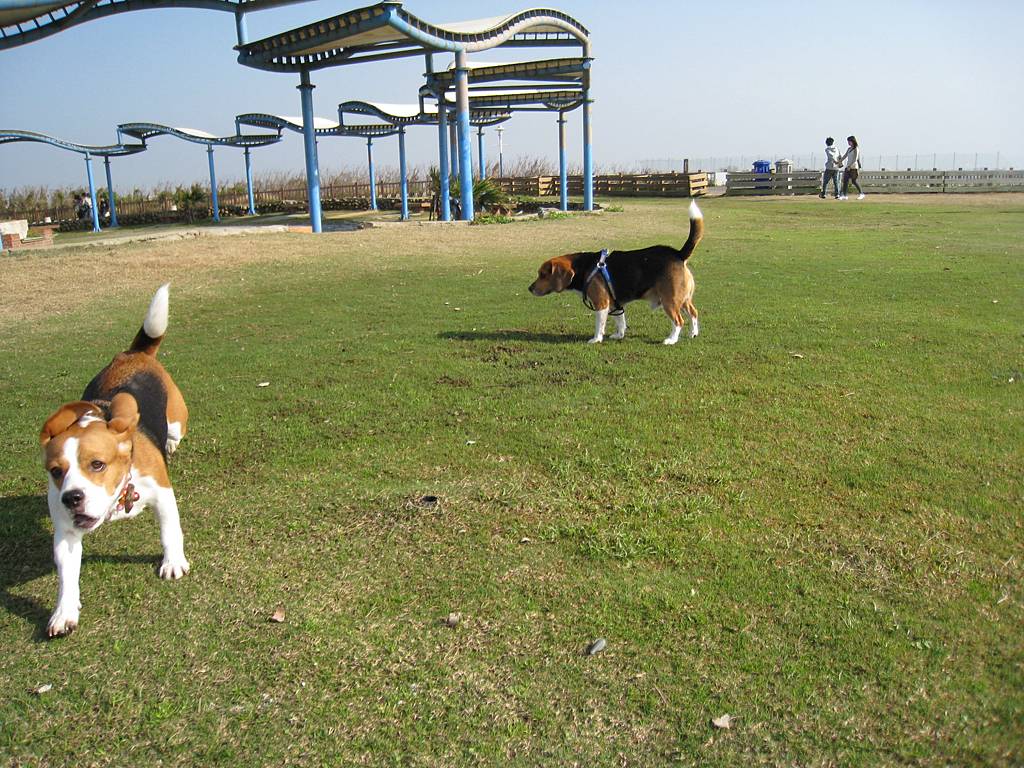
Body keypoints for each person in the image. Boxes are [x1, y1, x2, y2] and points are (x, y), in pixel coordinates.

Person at [839, 135, 865, 200]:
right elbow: (845, 156)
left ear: (852, 141)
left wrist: (850, 166)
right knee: (845, 181)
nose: (848, 143)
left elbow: (855, 159)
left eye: (849, 141)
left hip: (854, 167)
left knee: (854, 181)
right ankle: (844, 195)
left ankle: (861, 194)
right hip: (848, 166)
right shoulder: (849, 149)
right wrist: (839, 161)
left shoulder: (856, 149)